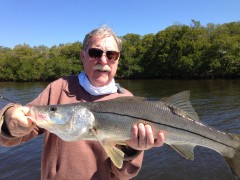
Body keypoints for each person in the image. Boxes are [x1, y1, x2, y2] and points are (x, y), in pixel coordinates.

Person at [0, 26, 164, 180]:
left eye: (111, 55)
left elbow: (124, 174)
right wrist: (9, 118)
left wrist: (133, 149)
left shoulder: (130, 101)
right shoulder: (59, 87)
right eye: (95, 53)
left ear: (118, 59)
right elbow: (15, 131)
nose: (103, 60)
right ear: (83, 55)